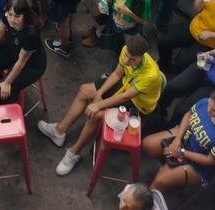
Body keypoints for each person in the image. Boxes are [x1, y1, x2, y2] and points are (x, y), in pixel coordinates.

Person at [37, 35, 163, 176]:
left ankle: (74, 153)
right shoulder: (126, 50)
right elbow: (116, 74)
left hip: (139, 105)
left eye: (132, 59)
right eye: (126, 55)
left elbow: (125, 97)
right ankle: (59, 131)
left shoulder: (151, 75)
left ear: (142, 56)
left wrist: (99, 105)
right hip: (126, 85)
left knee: (95, 115)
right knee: (84, 90)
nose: (127, 60)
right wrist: (99, 93)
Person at [0, 0, 47, 103]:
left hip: (31, 65)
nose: (12, 19)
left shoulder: (31, 33)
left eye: (17, 16)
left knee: (2, 93)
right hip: (13, 51)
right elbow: (0, 30)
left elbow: (21, 62)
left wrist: (7, 82)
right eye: (10, 15)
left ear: (25, 16)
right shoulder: (8, 16)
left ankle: (3, 111)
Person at [143, 93, 215, 191]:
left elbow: (209, 160)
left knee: (159, 182)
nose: (208, 110)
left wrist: (182, 153)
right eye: (209, 105)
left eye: (213, 110)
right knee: (148, 144)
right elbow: (189, 114)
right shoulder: (205, 102)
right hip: (185, 138)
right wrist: (178, 139)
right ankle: (168, 164)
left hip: (198, 165)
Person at [157, 0, 215, 73]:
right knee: (163, 43)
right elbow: (196, 8)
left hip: (209, 44)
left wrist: (211, 34)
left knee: (182, 64)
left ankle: (174, 74)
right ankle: (165, 65)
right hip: (194, 27)